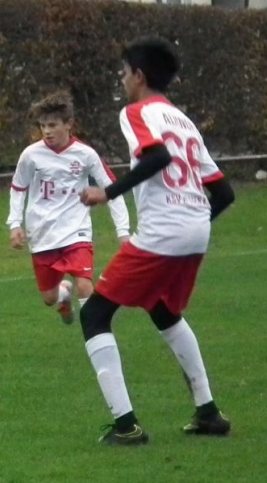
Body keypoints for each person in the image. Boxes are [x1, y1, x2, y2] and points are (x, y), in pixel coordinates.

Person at [79, 36, 235, 445]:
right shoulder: (184, 121)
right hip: (196, 232)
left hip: (164, 231)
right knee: (164, 311)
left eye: (123, 73)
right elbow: (224, 193)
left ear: (139, 75)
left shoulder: (136, 112)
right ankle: (208, 413)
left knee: (94, 315)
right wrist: (193, 223)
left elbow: (158, 157)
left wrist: (107, 192)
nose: (122, 81)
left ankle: (125, 426)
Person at [7, 91, 131, 324]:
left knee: (84, 285)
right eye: (43, 125)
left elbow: (112, 190)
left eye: (52, 125)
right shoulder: (30, 155)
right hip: (42, 232)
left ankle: (95, 333)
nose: (47, 131)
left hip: (76, 231)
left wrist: (123, 232)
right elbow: (18, 188)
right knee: (49, 297)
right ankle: (63, 294)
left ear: (69, 124)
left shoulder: (85, 154)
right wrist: (14, 224)